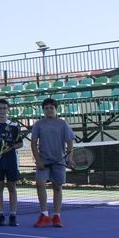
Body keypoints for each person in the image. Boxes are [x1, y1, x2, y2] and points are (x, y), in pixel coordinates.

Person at [31, 98, 75, 228]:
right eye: (46, 108)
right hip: (43, 161)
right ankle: (44, 215)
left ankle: (56, 216)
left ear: (56, 110)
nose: (49, 110)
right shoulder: (38, 124)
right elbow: (33, 143)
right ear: (43, 110)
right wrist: (38, 160)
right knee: (40, 184)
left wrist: (69, 158)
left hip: (59, 161)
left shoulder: (63, 124)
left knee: (57, 187)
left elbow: (70, 142)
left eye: (51, 108)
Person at [0, 98, 22, 227]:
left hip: (11, 161)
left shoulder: (14, 126)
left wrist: (11, 147)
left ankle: (13, 215)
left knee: (12, 188)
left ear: (8, 110)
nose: (2, 110)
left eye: (4, 108)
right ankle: (0, 215)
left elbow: (20, 143)